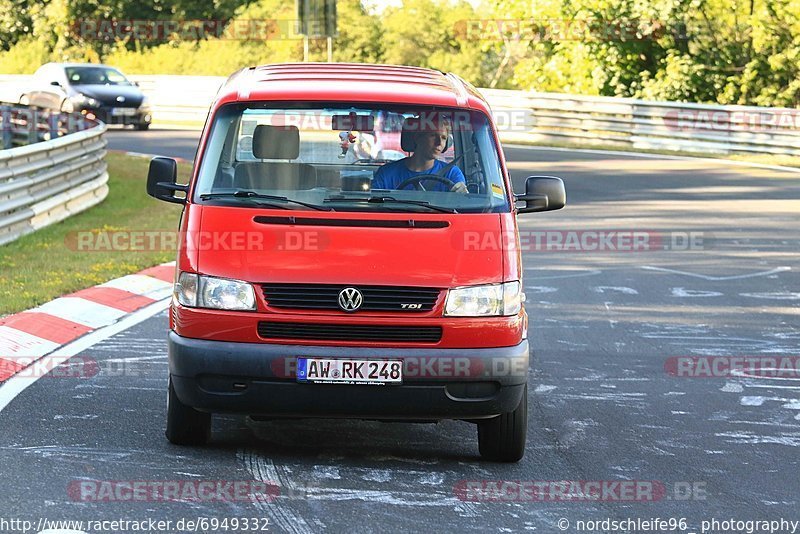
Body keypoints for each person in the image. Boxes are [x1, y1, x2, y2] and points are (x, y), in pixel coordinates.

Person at [372, 117, 467, 193]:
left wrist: (462, 196)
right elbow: (375, 206)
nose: (439, 143)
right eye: (433, 135)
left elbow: (459, 209)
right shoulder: (386, 173)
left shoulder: (451, 173)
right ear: (417, 137)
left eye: (443, 138)